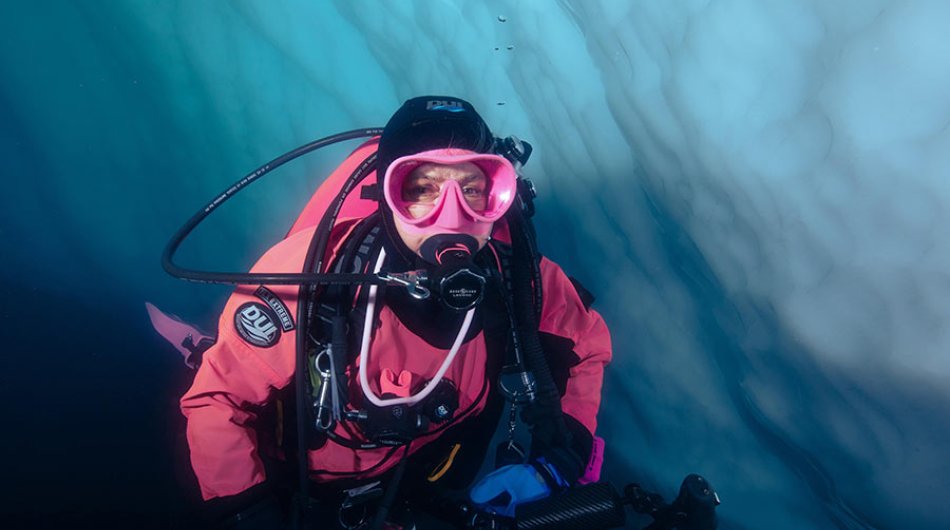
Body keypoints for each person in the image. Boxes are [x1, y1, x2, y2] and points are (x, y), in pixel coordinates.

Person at [179, 96, 612, 529]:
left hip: (423, 484)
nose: (453, 216)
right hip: (295, 484)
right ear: (387, 197)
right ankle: (201, 348)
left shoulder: (518, 276)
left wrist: (561, 458)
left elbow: (585, 345)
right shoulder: (313, 271)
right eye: (422, 189)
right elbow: (219, 400)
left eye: (473, 190)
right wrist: (247, 512)